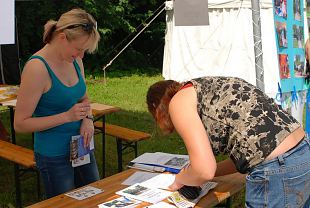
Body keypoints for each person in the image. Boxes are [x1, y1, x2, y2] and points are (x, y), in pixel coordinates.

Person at [146, 77, 310, 207]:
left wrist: (182, 178)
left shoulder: (178, 102)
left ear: (157, 107)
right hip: (302, 151)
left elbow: (204, 171)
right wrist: (204, 171)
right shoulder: (207, 87)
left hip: (276, 167)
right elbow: (247, 154)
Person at [14, 8, 100, 198]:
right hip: (54, 155)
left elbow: (83, 98)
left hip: (81, 147)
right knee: (64, 203)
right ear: (62, 37)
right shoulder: (37, 68)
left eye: (84, 51)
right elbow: (20, 123)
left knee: (94, 198)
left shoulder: (75, 61)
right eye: (79, 49)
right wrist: (66, 116)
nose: (81, 55)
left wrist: (87, 119)